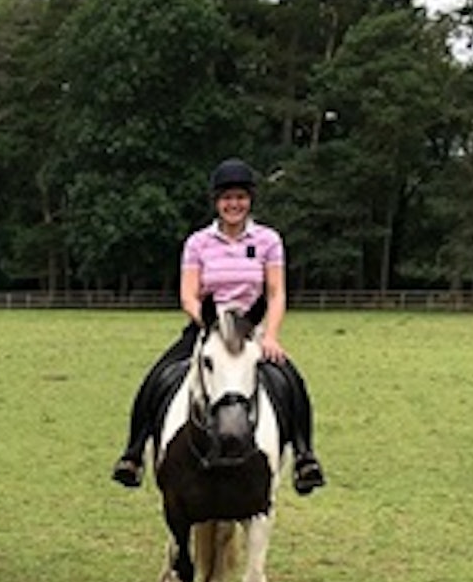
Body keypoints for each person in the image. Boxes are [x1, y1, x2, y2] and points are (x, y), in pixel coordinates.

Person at [110, 157, 325, 494]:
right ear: (216, 202)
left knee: (292, 381)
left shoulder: (268, 240)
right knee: (157, 377)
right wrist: (209, 323)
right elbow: (189, 294)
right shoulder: (199, 243)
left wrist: (270, 335)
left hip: (250, 329)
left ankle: (304, 457)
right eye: (227, 198)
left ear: (249, 200)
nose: (233, 204)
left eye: (240, 197)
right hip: (207, 328)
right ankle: (133, 454)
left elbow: (276, 291)